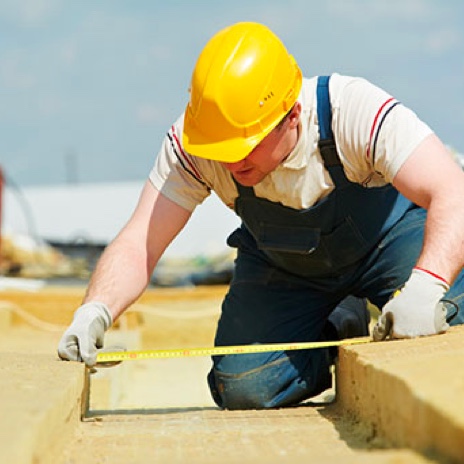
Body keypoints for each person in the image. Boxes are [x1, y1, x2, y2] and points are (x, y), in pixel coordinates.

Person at [58, 21, 464, 410]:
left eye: (244, 146)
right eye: (222, 149)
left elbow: (453, 191)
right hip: (286, 268)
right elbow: (140, 242)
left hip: (387, 244)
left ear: (291, 115)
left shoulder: (352, 111)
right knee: (243, 385)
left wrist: (427, 287)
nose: (231, 162)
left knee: (451, 314)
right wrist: (94, 311)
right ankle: (341, 321)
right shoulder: (198, 141)